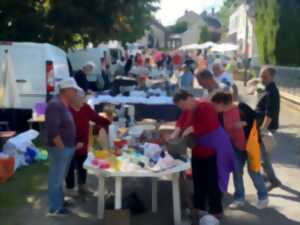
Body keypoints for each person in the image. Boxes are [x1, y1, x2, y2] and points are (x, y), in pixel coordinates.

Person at [170, 90, 235, 222]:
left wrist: (193, 128)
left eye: (182, 105)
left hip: (214, 149)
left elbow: (210, 125)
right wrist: (174, 134)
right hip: (198, 148)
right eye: (179, 106)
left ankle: (216, 210)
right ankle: (199, 208)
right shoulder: (188, 109)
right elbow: (181, 122)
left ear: (188, 98)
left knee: (212, 181)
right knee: (198, 180)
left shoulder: (206, 106)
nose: (182, 108)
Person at [211, 92, 269, 209]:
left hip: (251, 145)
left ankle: (263, 197)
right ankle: (239, 198)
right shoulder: (220, 115)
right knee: (237, 172)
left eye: (214, 105)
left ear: (222, 103)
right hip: (236, 146)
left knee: (254, 172)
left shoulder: (241, 107)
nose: (213, 108)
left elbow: (257, 117)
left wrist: (245, 123)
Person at [45, 78, 82, 216]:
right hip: (60, 149)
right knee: (56, 178)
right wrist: (62, 147)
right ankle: (55, 208)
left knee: (60, 177)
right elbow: (52, 130)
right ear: (65, 90)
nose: (75, 93)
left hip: (67, 147)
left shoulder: (63, 103)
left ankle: (59, 201)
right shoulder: (55, 105)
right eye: (73, 90)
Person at [66, 91, 110, 195]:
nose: (84, 101)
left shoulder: (85, 108)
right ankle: (70, 189)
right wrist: (73, 144)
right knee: (70, 166)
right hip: (70, 143)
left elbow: (96, 118)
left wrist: (109, 122)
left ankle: (82, 186)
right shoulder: (67, 110)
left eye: (85, 99)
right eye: (82, 99)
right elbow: (63, 130)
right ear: (74, 99)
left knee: (83, 164)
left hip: (83, 143)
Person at [256, 66, 281, 191]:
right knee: (263, 155)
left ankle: (273, 180)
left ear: (272, 77)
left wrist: (263, 129)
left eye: (265, 76)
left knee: (264, 156)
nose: (262, 78)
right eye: (261, 75)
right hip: (264, 127)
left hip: (267, 128)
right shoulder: (267, 88)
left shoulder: (272, 91)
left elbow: (270, 113)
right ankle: (269, 178)